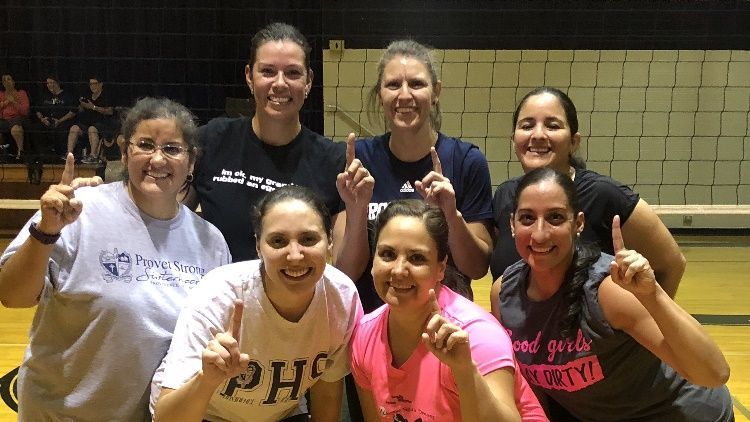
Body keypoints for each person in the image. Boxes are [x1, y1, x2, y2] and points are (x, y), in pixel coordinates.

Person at [0, 97, 231, 421]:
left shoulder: (210, 243)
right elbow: (11, 295)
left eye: (173, 148)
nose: (158, 159)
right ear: (124, 152)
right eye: (146, 145)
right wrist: (47, 231)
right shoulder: (77, 210)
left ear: (191, 161)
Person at [492, 167, 733, 421]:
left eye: (555, 218)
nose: (539, 234)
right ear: (512, 224)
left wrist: (653, 296)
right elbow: (532, 393)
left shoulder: (608, 290)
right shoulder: (504, 295)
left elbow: (714, 374)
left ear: (579, 224)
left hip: (682, 413)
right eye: (527, 218)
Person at [154, 185, 363, 422]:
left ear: (329, 242)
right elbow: (166, 418)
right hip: (205, 413)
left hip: (281, 414)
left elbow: (326, 396)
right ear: (258, 247)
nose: (295, 255)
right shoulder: (218, 295)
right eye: (278, 241)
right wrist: (207, 379)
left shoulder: (342, 298)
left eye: (308, 239)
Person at [185, 22, 371, 281]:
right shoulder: (213, 140)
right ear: (250, 76)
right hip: (221, 307)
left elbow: (345, 272)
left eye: (293, 73)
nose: (280, 83)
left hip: (296, 309)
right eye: (268, 71)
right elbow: (168, 220)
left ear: (309, 81)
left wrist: (358, 207)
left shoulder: (332, 159)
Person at [350, 199, 547, 421]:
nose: (398, 270)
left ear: (440, 268)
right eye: (387, 254)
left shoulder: (475, 336)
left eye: (417, 258)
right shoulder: (365, 336)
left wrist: (464, 371)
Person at [490, 86, 685, 304]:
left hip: (589, 337)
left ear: (574, 141)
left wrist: (651, 323)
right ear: (514, 139)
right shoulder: (505, 195)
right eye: (527, 125)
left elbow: (671, 263)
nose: (537, 135)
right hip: (519, 335)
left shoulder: (604, 195)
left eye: (552, 125)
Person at [355, 39, 493, 311]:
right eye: (393, 85)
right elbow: (345, 268)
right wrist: (354, 205)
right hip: (374, 321)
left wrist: (450, 215)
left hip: (444, 322)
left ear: (436, 91)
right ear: (380, 93)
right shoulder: (360, 160)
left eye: (417, 84)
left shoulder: (466, 161)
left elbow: (477, 268)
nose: (404, 95)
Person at [67, 75, 115, 163]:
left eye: (95, 84)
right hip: (87, 123)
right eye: (91, 84)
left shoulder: (106, 96)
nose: (92, 86)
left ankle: (93, 156)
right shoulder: (88, 95)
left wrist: (93, 107)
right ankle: (69, 155)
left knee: (92, 129)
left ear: (101, 84)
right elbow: (80, 110)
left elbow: (110, 111)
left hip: (102, 124)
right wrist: (81, 105)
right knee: (74, 128)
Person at [34, 75, 77, 157]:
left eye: (51, 83)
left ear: (57, 83)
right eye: (48, 83)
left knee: (62, 130)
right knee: (36, 128)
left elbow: (73, 112)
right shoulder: (44, 95)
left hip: (62, 121)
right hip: (46, 121)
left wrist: (60, 120)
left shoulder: (67, 95)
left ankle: (62, 154)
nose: (49, 85)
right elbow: (37, 110)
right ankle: (42, 154)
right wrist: (42, 118)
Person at [0, 71, 30, 160]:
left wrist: (13, 102)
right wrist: (6, 102)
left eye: (8, 79)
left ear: (13, 81)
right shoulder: (1, 94)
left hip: (17, 118)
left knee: (16, 129)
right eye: (4, 80)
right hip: (3, 120)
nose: (6, 82)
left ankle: (20, 152)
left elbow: (25, 111)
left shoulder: (21, 93)